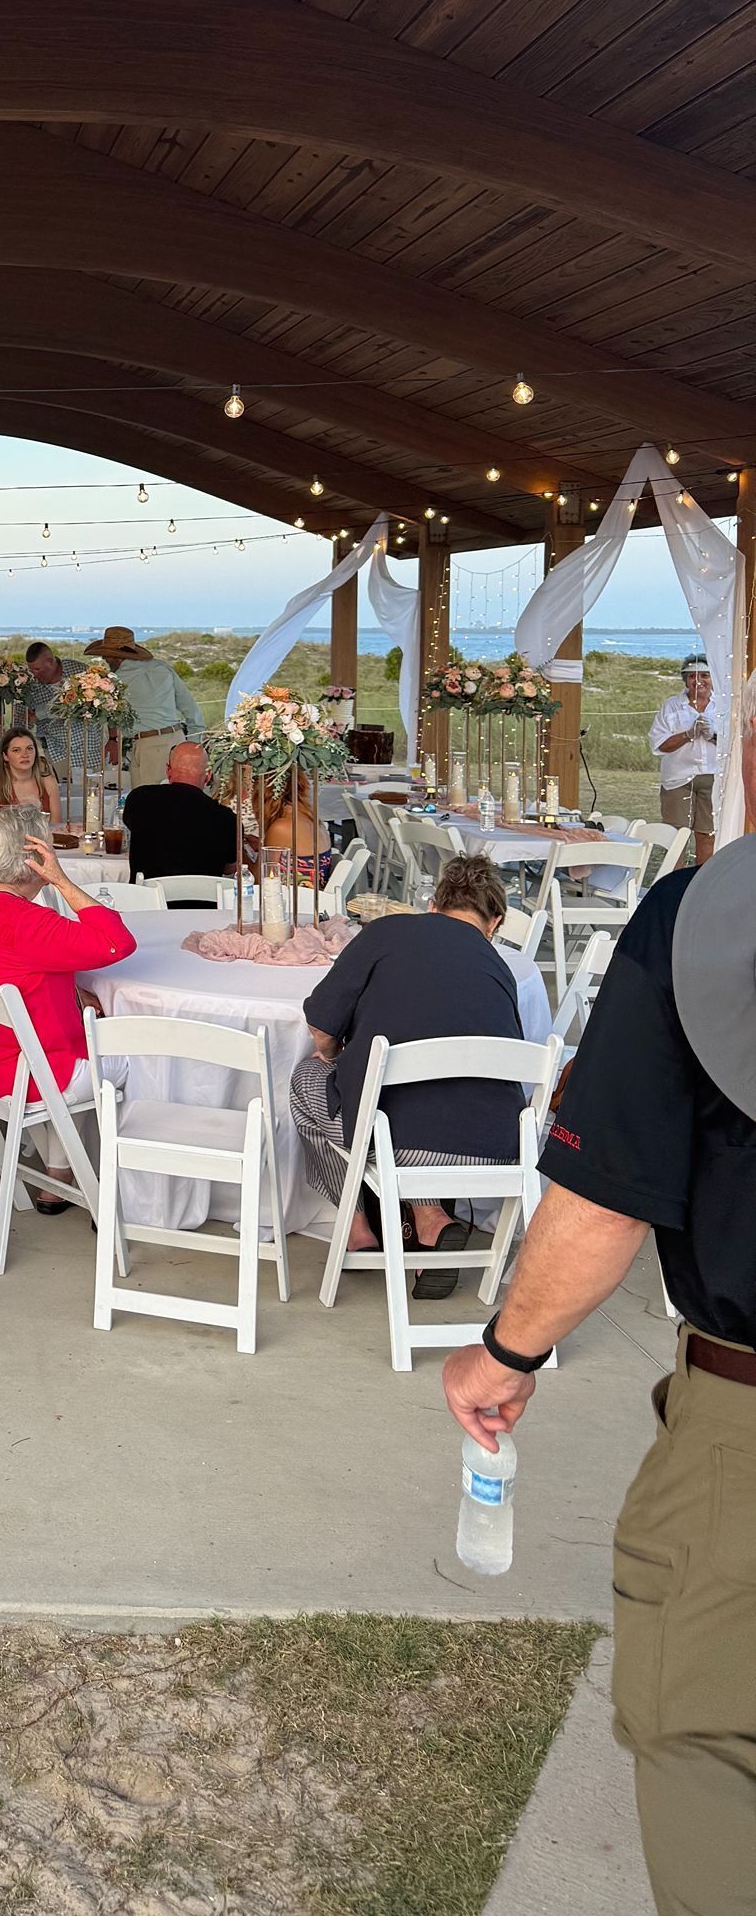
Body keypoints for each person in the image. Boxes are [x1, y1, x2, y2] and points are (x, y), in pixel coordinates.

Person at [441, 849, 756, 1915]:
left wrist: (506, 1351)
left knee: (706, 1735)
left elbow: (603, 1203)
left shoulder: (710, 914)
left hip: (746, 1430)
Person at [292, 854, 527, 1297]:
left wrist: (336, 1057)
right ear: (494, 922)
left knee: (309, 1079)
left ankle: (357, 1229)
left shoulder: (386, 932)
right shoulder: (501, 969)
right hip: (494, 1147)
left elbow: (321, 1027)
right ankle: (432, 1220)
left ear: (435, 904)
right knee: (421, 1107)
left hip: (398, 1144)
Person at [0, 806, 134, 1213]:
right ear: (34, 858)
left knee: (82, 1038)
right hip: (29, 1075)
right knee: (138, 1055)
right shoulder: (25, 921)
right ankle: (142, 1191)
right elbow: (117, 943)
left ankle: (58, 1175)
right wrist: (62, 881)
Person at [86, 627, 204, 790]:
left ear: (115, 655)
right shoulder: (162, 667)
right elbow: (190, 709)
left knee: (149, 806)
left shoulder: (116, 681)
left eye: (106, 654)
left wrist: (112, 740)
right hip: (175, 739)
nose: (104, 658)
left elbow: (109, 714)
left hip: (149, 747)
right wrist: (193, 746)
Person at [123, 739, 241, 883]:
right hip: (204, 903)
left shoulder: (139, 799)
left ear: (168, 771)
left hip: (146, 902)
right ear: (208, 775)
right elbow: (229, 868)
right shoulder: (227, 819)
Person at [650, 653, 716, 862]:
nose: (698, 681)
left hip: (713, 778)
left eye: (705, 675)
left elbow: (737, 740)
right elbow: (658, 744)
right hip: (678, 780)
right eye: (691, 676)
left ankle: (701, 886)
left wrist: (712, 735)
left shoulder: (723, 706)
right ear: (685, 680)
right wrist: (687, 734)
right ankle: (673, 885)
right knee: (676, 836)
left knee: (707, 835)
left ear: (713, 677)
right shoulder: (671, 706)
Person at [22, 640, 87, 769]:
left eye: (37, 669)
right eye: (31, 670)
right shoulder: (31, 685)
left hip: (86, 750)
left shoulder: (79, 672)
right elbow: (24, 720)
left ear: (50, 662)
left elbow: (78, 704)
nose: (34, 674)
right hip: (53, 752)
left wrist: (39, 713)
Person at [0, 727, 63, 820]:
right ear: (5, 756)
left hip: (45, 834)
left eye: (29, 748)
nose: (25, 755)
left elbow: (56, 826)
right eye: (16, 750)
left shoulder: (48, 782)